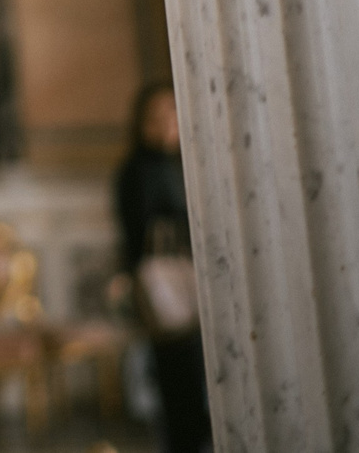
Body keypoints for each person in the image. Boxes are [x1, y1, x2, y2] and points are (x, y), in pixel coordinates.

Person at [115, 82, 209, 453]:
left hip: (194, 282)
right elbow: (135, 235)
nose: (165, 123)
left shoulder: (187, 163)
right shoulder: (135, 170)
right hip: (163, 286)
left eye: (171, 113)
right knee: (175, 376)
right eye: (155, 116)